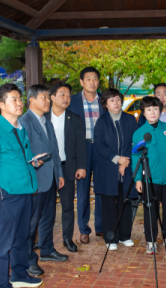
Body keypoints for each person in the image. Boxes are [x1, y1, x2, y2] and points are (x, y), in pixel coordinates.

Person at [0, 83, 43, 288]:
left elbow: (21, 157)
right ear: (1, 105)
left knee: (22, 237)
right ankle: (2, 286)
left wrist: (34, 159)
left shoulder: (20, 128)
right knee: (4, 243)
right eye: (13, 99)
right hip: (7, 195)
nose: (19, 103)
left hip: (25, 192)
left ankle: (19, 274)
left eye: (19, 98)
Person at [19, 84, 68, 278]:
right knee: (31, 224)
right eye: (44, 98)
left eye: (49, 98)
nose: (48, 101)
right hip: (35, 181)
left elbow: (54, 150)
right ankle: (28, 260)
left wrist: (60, 173)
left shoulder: (45, 121)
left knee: (48, 217)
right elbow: (25, 153)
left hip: (51, 179)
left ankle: (47, 250)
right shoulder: (24, 122)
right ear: (31, 100)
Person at [94, 88, 138, 251]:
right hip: (107, 168)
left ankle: (125, 235)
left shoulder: (130, 119)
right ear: (105, 104)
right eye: (112, 100)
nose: (116, 103)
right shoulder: (101, 121)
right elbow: (99, 144)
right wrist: (116, 159)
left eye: (118, 99)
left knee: (125, 201)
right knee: (109, 205)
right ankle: (111, 238)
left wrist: (124, 161)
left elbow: (134, 142)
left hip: (126, 166)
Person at [46, 82, 87, 253]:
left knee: (68, 206)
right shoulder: (43, 117)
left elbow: (81, 145)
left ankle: (67, 238)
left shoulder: (75, 118)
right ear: (52, 97)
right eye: (62, 94)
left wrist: (82, 166)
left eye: (69, 95)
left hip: (68, 167)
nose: (66, 98)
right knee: (45, 208)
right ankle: (43, 241)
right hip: (46, 168)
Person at [132, 96, 166, 254]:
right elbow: (136, 157)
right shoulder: (139, 133)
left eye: (155, 109)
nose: (152, 112)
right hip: (150, 178)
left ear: (160, 110)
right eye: (148, 109)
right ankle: (151, 241)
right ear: (143, 112)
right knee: (151, 211)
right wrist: (138, 179)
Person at [68, 67, 105, 244]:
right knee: (82, 190)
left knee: (101, 188)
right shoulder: (73, 101)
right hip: (81, 150)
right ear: (82, 82)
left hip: (101, 149)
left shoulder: (105, 100)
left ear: (98, 82)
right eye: (88, 79)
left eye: (95, 79)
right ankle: (84, 229)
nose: (92, 82)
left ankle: (101, 226)